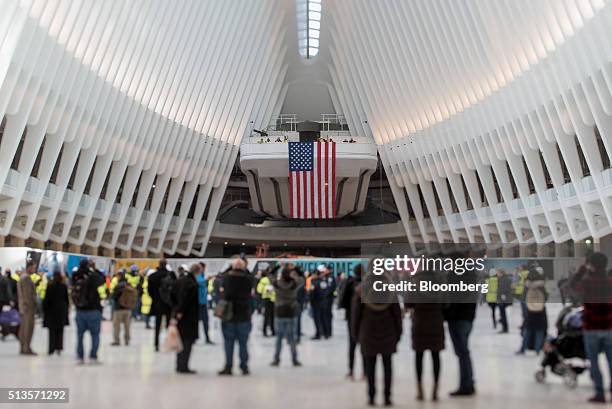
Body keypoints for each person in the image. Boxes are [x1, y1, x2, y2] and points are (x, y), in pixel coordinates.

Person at [352, 273, 403, 407]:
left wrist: (356, 334)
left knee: (370, 367)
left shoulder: (362, 290)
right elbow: (397, 315)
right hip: (388, 332)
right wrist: (398, 334)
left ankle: (371, 396)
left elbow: (356, 315)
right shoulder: (390, 290)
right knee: (387, 367)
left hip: (368, 332)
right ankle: (387, 397)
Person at [570, 252, 612, 403]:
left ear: (591, 266)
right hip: (609, 327)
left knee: (594, 361)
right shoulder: (609, 282)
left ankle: (600, 393)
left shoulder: (587, 282)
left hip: (592, 327)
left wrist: (582, 270)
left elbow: (573, 285)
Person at [445, 258, 477, 397]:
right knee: (464, 352)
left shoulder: (454, 276)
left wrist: (446, 314)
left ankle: (466, 385)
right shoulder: (471, 275)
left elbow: (451, 298)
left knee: (462, 353)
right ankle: (468, 382)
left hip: (457, 318)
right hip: (468, 318)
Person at [218, 257, 254, 376]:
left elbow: (222, 277)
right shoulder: (248, 279)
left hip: (229, 315)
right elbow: (250, 278)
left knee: (228, 343)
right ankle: (244, 366)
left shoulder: (227, 278)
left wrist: (232, 267)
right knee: (243, 343)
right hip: (244, 315)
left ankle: (228, 366)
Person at [270, 264, 304, 367]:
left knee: (279, 338)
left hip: (279, 313)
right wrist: (295, 268)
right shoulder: (294, 284)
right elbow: (302, 278)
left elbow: (270, 275)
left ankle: (276, 360)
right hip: (291, 312)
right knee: (292, 338)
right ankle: (294, 360)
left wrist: (277, 266)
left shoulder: (277, 284)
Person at [71, 259, 104, 365]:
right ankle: (93, 357)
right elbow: (102, 280)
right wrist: (95, 270)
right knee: (95, 335)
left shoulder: (75, 275)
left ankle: (80, 357)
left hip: (80, 310)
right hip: (94, 309)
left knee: (80, 335)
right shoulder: (93, 276)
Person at [173, 264, 200, 374]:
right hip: (188, 317)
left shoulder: (180, 280)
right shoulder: (191, 283)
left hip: (180, 315)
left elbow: (172, 295)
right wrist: (180, 311)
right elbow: (186, 300)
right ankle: (184, 366)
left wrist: (175, 309)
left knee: (180, 341)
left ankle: (179, 364)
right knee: (187, 342)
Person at [338, 263, 364, 380]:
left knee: (352, 345)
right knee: (364, 346)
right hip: (365, 319)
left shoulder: (350, 283)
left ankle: (351, 371)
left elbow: (343, 301)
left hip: (351, 318)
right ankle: (365, 372)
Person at [517, 265, 548, 355]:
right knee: (539, 330)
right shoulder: (542, 285)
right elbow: (545, 297)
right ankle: (538, 349)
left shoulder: (527, 285)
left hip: (530, 310)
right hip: (540, 310)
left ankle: (523, 348)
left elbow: (524, 297)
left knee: (527, 330)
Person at [148, 260, 174, 352]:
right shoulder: (171, 275)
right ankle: (168, 343)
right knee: (168, 324)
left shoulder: (152, 276)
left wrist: (155, 299)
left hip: (157, 303)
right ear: (166, 264)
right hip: (168, 304)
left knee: (157, 325)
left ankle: (156, 345)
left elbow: (149, 291)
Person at [42, 269, 69, 355]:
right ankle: (59, 348)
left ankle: (51, 349)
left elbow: (46, 300)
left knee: (52, 331)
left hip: (51, 311)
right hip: (61, 311)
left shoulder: (50, 286)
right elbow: (66, 300)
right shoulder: (63, 286)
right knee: (60, 331)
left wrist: (44, 309)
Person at [17, 261, 38, 356]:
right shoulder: (26, 278)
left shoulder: (23, 277)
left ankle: (23, 347)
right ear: (29, 267)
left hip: (24, 308)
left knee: (24, 328)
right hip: (27, 308)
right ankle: (26, 348)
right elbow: (27, 295)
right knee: (27, 329)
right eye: (33, 267)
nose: (34, 269)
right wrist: (31, 306)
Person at [111, 272, 135, 346]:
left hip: (118, 309)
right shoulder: (129, 285)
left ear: (119, 277)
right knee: (127, 326)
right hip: (128, 309)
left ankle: (116, 340)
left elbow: (114, 297)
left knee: (117, 326)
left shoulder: (118, 286)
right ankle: (127, 340)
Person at [196, 262, 213, 344]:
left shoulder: (202, 275)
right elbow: (199, 282)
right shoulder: (198, 275)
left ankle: (207, 338)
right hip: (198, 303)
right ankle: (195, 338)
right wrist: (206, 280)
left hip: (203, 302)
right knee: (197, 322)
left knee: (205, 321)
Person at [257, 269, 275, 337]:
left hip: (266, 299)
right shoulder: (272, 279)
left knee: (266, 316)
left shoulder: (263, 280)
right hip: (273, 299)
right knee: (272, 316)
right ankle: (273, 331)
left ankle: (264, 331)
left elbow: (259, 290)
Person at [496, 269, 513, 334]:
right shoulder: (506, 278)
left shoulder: (503, 279)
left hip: (503, 300)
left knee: (503, 314)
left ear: (501, 273)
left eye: (498, 273)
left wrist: (499, 297)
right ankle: (504, 327)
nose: (497, 274)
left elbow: (502, 289)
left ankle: (505, 328)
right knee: (503, 314)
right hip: (505, 299)